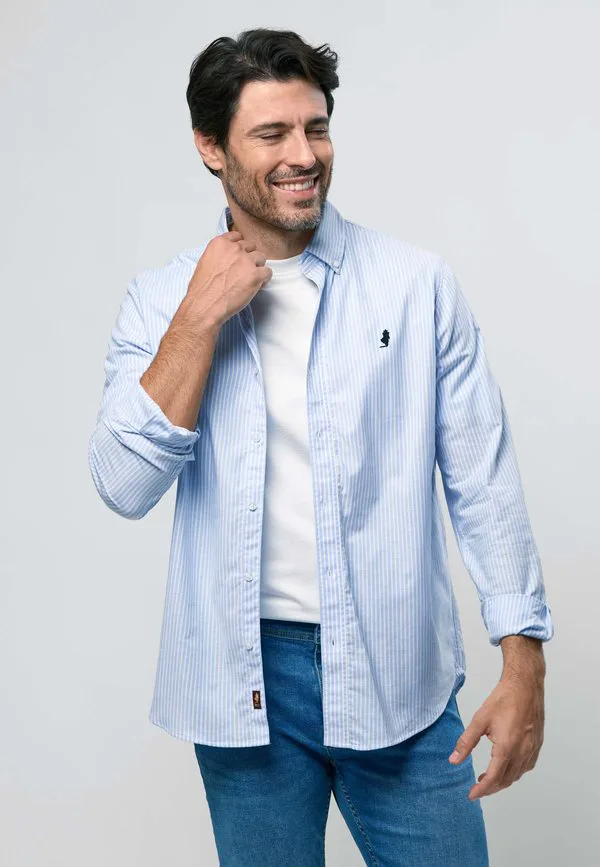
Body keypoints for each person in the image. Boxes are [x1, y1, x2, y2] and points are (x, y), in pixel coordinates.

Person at [88, 27, 554, 866]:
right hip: (243, 688)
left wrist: (524, 663)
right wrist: (200, 316)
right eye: (272, 133)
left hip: (400, 676)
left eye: (316, 128)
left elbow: (483, 481)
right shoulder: (161, 301)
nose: (303, 155)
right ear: (210, 147)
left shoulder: (415, 286)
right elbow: (123, 482)